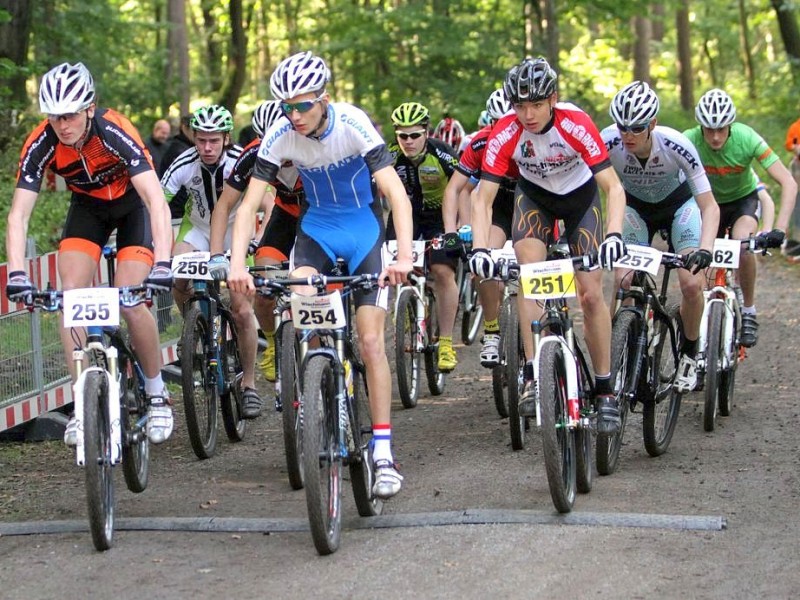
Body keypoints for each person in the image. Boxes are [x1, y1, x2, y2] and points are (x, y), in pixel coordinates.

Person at [226, 51, 413, 499]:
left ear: (324, 99)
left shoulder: (352, 123)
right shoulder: (280, 137)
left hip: (363, 231)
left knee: (369, 342)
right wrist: (235, 265)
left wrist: (402, 257)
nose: (295, 115)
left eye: (303, 105)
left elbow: (395, 194)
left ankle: (383, 452)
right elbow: (249, 205)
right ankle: (317, 387)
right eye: (286, 106)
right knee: (304, 305)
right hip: (318, 233)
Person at [5, 62, 174, 445]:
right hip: (88, 211)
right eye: (53, 117)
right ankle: (83, 403)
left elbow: (155, 200)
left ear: (89, 108)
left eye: (69, 116)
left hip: (133, 209)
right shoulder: (42, 141)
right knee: (71, 298)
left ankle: (156, 390)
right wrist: (17, 273)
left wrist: (162, 262)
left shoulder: (114, 131)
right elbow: (18, 215)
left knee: (131, 301)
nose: (61, 126)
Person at [468, 57, 627, 435]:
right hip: (535, 198)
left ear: (552, 99)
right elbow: (482, 198)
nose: (528, 114)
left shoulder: (576, 123)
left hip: (579, 199)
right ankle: (531, 374)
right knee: (530, 272)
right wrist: (479, 250)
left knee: (589, 294)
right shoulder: (505, 131)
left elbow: (613, 188)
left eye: (536, 104)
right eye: (520, 105)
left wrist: (615, 235)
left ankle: (604, 389)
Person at [602, 81, 720, 392]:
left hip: (679, 207)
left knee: (692, 283)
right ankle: (621, 352)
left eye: (637, 128)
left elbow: (709, 206)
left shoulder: (676, 145)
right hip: (635, 209)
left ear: (652, 124)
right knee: (624, 280)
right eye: (622, 126)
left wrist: (705, 250)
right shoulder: (608, 142)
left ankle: (691, 353)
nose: (627, 134)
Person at [160, 105, 263, 417]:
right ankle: (193, 325)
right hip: (199, 229)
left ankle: (249, 384)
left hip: (237, 232)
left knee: (242, 309)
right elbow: (156, 202)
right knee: (177, 271)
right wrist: (160, 246)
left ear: (226, 139)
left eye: (213, 141)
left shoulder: (239, 161)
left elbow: (265, 198)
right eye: (201, 139)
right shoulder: (184, 163)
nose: (206, 147)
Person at [684, 89, 796, 347]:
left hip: (741, 202)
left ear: (731, 126)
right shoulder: (688, 139)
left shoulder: (747, 138)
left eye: (721, 129)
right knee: (702, 261)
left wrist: (778, 230)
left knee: (744, 246)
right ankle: (699, 338)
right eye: (708, 129)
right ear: (699, 127)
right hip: (707, 204)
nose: (714, 136)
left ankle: (748, 310)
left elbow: (788, 182)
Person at [208, 99, 303, 395]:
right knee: (264, 290)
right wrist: (215, 256)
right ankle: (274, 343)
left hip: (320, 215)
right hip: (285, 214)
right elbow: (225, 205)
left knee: (311, 283)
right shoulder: (255, 154)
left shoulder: (312, 146)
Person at [442, 88, 516, 370]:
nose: (503, 131)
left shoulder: (534, 140)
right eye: (495, 124)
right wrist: (458, 227)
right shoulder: (480, 143)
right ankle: (493, 330)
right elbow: (458, 188)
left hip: (531, 204)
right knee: (483, 264)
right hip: (496, 206)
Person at [388, 102, 461, 372]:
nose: (408, 141)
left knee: (442, 272)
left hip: (438, 217)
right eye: (403, 135)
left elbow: (463, 186)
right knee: (399, 270)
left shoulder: (441, 153)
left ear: (426, 132)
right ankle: (409, 310)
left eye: (415, 135)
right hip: (404, 216)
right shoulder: (390, 155)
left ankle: (445, 342)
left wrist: (459, 227)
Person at [161, 113, 194, 219]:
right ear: (184, 128)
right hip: (177, 216)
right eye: (195, 129)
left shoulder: (189, 148)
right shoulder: (179, 151)